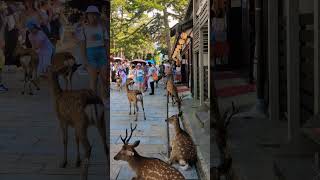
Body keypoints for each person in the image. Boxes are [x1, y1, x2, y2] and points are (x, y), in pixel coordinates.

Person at [79, 5, 108, 105]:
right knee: (93, 80)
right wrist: (85, 60)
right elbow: (82, 45)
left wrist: (108, 57)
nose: (93, 17)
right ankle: (94, 101)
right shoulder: (84, 29)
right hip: (91, 54)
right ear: (87, 16)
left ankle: (104, 99)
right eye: (91, 15)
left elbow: (106, 42)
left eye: (95, 15)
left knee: (104, 79)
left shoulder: (102, 28)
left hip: (102, 54)